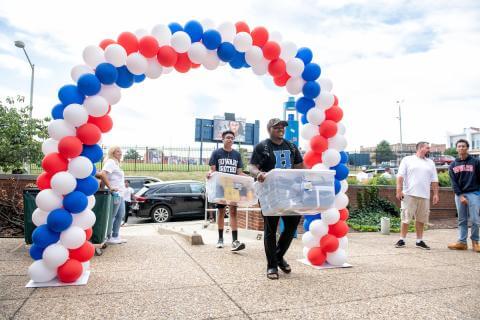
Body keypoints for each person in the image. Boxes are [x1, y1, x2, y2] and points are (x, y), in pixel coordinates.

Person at [249, 118, 305, 280]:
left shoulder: (292, 146)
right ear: (269, 129)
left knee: (292, 225)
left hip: (290, 193)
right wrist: (258, 174)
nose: (281, 128)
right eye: (277, 127)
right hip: (269, 193)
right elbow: (252, 166)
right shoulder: (262, 147)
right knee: (271, 229)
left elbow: (299, 167)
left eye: (282, 127)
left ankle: (279, 256)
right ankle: (272, 265)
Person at [207, 130, 247, 252]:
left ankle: (235, 241)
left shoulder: (237, 155)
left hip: (233, 186)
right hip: (220, 186)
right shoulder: (216, 153)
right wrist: (209, 174)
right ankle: (220, 238)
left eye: (232, 138)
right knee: (221, 212)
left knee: (233, 212)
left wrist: (249, 178)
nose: (230, 139)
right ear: (223, 139)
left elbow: (239, 172)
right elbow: (213, 170)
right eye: (228, 137)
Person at [395, 141, 439, 250]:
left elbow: (434, 180)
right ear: (420, 148)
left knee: (421, 219)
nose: (429, 150)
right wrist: (399, 191)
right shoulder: (407, 160)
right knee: (405, 218)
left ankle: (419, 241)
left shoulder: (430, 162)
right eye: (427, 148)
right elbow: (400, 176)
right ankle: (402, 240)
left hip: (425, 195)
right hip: (409, 194)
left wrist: (436, 194)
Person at [447, 139, 480, 252]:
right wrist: (460, 196)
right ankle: (462, 242)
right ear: (457, 148)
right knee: (462, 219)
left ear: (467, 148)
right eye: (459, 146)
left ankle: (475, 242)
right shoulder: (453, 165)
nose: (461, 148)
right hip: (459, 195)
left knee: (475, 219)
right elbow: (454, 183)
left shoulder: (476, 162)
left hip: (474, 193)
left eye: (463, 146)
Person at [96, 146, 127, 244]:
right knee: (112, 216)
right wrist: (110, 188)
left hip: (120, 194)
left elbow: (107, 176)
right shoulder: (111, 162)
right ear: (112, 153)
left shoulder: (116, 164)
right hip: (115, 194)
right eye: (118, 151)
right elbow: (103, 174)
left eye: (121, 151)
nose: (120, 153)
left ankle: (115, 236)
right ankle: (108, 236)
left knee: (120, 215)